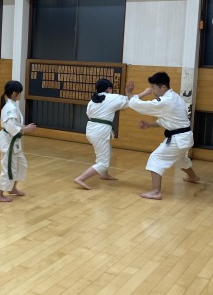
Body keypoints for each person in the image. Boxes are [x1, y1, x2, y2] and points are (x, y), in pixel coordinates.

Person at [125, 72, 199, 200]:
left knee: (156, 158)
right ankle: (193, 177)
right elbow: (168, 119)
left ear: (163, 87)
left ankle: (156, 192)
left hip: (178, 139)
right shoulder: (175, 97)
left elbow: (142, 106)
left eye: (153, 87)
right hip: (186, 138)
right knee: (179, 158)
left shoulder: (165, 101)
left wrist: (130, 94)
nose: (152, 91)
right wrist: (149, 125)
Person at [74, 78, 129, 190]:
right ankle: (80, 178)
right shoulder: (111, 97)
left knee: (108, 152)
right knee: (103, 163)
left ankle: (104, 174)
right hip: (100, 132)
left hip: (92, 130)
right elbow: (130, 100)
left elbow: (89, 114)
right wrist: (145, 93)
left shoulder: (93, 101)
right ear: (109, 88)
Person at [0, 80, 36, 203]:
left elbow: (15, 124)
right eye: (20, 92)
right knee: (9, 168)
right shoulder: (10, 108)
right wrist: (26, 129)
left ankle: (13, 188)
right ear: (14, 93)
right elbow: (11, 127)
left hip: (14, 141)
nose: (21, 95)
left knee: (21, 165)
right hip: (9, 142)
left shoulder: (12, 105)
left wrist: (25, 127)